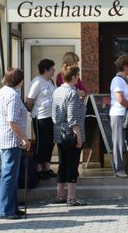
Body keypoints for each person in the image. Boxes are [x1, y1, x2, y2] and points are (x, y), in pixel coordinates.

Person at [0, 68, 30, 220]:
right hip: (11, 140)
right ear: (19, 81)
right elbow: (12, 121)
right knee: (9, 175)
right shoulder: (13, 96)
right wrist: (24, 139)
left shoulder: (1, 92)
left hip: (3, 139)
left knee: (8, 174)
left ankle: (11, 207)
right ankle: (6, 210)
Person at [52, 65, 87, 206]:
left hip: (59, 133)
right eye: (77, 75)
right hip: (71, 134)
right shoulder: (72, 93)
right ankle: (71, 197)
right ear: (73, 77)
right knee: (72, 165)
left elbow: (54, 115)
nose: (78, 78)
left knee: (62, 164)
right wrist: (79, 137)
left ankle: (60, 195)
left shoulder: (57, 91)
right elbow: (72, 119)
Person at [26, 58, 56, 180]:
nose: (54, 70)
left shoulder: (50, 81)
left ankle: (47, 168)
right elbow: (29, 100)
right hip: (40, 117)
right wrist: (33, 112)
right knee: (41, 143)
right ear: (45, 70)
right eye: (52, 68)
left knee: (50, 142)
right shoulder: (37, 82)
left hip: (51, 116)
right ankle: (38, 169)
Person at [109, 55, 128, 178]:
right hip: (119, 114)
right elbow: (120, 99)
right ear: (125, 66)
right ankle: (119, 169)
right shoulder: (116, 80)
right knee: (119, 142)